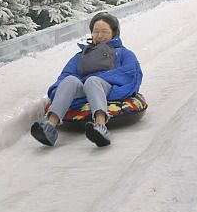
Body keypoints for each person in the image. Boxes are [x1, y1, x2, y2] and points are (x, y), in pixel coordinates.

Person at [30, 12, 143, 147]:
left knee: (92, 81)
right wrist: (58, 91)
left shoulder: (124, 53)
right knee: (71, 80)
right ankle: (50, 126)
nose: (99, 36)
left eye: (104, 31)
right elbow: (66, 75)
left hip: (109, 88)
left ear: (114, 33)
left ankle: (101, 126)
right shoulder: (81, 56)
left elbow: (130, 74)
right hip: (84, 90)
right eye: (96, 32)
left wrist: (94, 79)